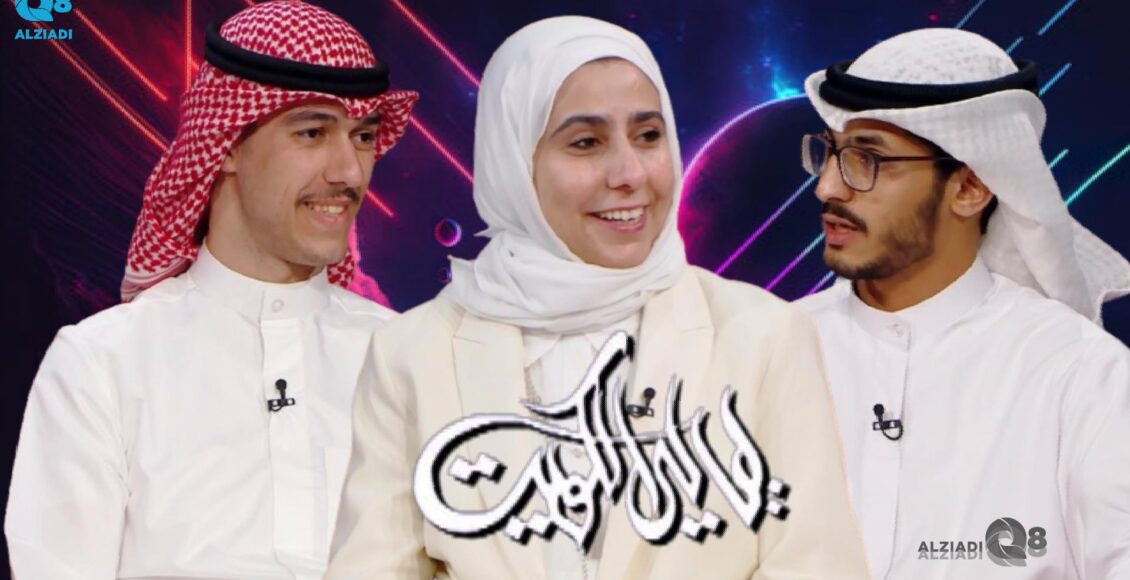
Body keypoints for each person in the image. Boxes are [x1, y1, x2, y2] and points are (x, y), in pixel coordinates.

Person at [327, 15, 869, 580]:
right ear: (513, 162)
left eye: (648, 136)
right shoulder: (411, 352)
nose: (630, 174)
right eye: (586, 142)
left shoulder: (764, 336)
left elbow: (818, 567)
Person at [4, 2, 418, 578]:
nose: (349, 172)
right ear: (225, 145)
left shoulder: (410, 360)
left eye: (364, 136)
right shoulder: (103, 364)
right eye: (313, 132)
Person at [796, 28, 1130, 579]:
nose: (828, 187)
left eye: (867, 159)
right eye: (830, 153)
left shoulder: (1079, 377)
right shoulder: (767, 351)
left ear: (970, 188)